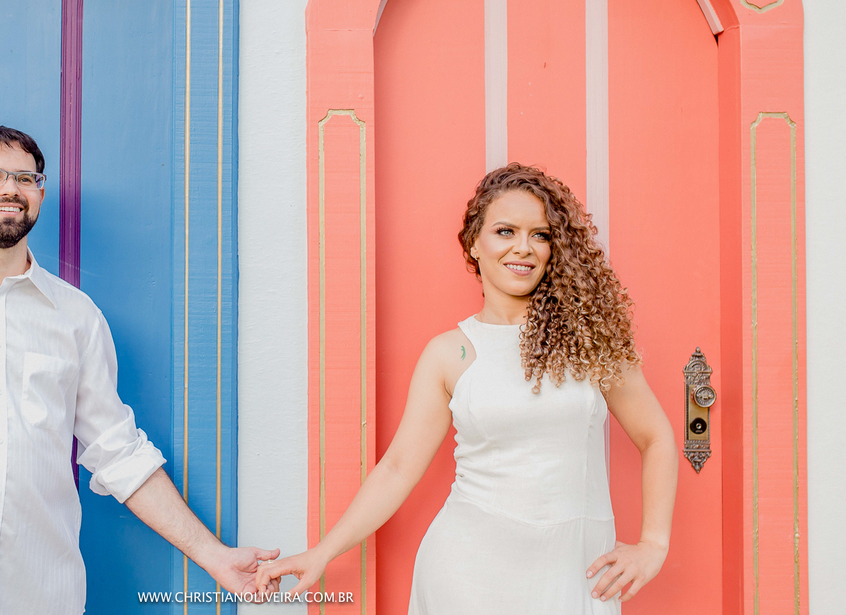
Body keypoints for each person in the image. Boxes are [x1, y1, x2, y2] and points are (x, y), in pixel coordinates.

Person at [0, 125, 277, 615]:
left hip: (44, 600)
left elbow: (119, 453)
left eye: (26, 178)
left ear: (39, 193)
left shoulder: (77, 317)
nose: (10, 189)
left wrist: (214, 557)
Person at [257, 163, 678, 612]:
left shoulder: (591, 341)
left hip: (576, 572)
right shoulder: (449, 354)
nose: (524, 247)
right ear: (474, 243)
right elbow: (398, 468)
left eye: (541, 235)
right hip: (467, 574)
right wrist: (322, 552)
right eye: (505, 231)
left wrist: (654, 544)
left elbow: (656, 437)